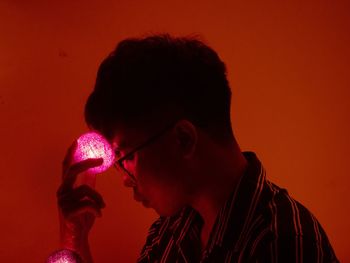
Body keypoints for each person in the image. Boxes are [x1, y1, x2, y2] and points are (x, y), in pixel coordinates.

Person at [55, 34, 339, 262]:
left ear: (183, 139)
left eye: (126, 158)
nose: (126, 179)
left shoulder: (283, 244)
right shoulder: (171, 230)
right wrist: (76, 234)